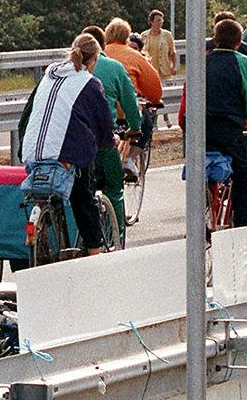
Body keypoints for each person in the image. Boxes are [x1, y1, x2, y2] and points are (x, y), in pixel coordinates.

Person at [17, 34, 117, 256]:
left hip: (32, 152)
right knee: (84, 200)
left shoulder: (49, 75)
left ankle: (43, 232)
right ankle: (95, 255)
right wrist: (109, 141)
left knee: (46, 191)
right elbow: (103, 122)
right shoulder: (89, 83)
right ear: (94, 60)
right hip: (65, 155)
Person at [181, 18, 247, 228]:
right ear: (239, 42)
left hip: (199, 129)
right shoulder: (242, 62)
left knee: (200, 170)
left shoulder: (201, 62)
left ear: (214, 38)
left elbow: (187, 95)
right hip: (228, 130)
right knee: (244, 176)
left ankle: (202, 214)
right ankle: (240, 226)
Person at [78, 25, 141, 240]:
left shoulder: (64, 70)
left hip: (72, 141)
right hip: (102, 139)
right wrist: (135, 126)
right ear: (101, 46)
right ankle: (117, 237)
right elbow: (130, 102)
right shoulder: (113, 67)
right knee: (114, 186)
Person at [103, 18, 164, 178]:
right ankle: (129, 159)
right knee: (146, 126)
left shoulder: (99, 54)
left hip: (100, 112)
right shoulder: (135, 57)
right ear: (127, 36)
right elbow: (153, 87)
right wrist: (155, 100)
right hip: (125, 112)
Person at [141, 10, 177, 82]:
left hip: (165, 73)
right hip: (150, 72)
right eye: (158, 20)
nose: (160, 22)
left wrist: (174, 67)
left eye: (161, 20)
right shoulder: (143, 36)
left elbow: (173, 53)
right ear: (151, 22)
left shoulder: (167, 35)